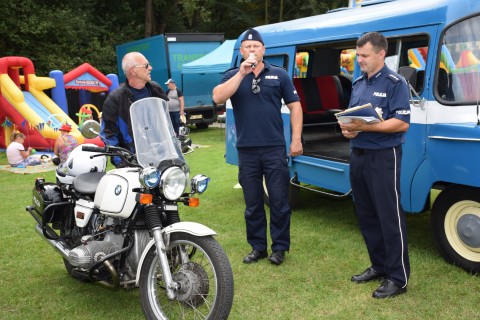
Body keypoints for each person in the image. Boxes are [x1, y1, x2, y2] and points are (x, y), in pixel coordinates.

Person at [212, 28, 303, 266]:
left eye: (256, 47)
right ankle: (258, 247)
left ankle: (279, 248)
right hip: (247, 150)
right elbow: (217, 97)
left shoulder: (279, 75)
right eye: (247, 47)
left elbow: (296, 106)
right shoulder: (233, 74)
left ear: (263, 50)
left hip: (274, 148)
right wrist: (242, 74)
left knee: (279, 201)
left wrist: (296, 139)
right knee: (252, 203)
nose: (252, 50)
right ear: (242, 51)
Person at [338, 32, 411, 299]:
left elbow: (402, 122)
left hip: (384, 156)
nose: (360, 60)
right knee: (366, 214)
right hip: (359, 154)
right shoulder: (358, 83)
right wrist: (349, 130)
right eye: (358, 55)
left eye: (364, 55)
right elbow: (353, 119)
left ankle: (398, 277)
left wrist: (370, 126)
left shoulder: (395, 82)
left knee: (389, 216)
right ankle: (379, 265)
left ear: (381, 54)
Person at [101, 52, 168, 167]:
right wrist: (121, 161)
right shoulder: (115, 98)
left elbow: (167, 120)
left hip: (161, 155)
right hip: (132, 160)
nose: (150, 68)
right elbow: (108, 134)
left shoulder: (155, 89)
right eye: (146, 65)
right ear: (133, 71)